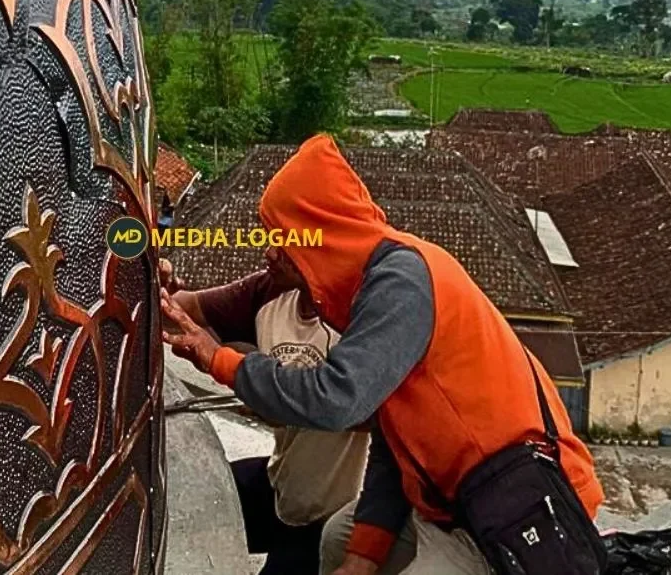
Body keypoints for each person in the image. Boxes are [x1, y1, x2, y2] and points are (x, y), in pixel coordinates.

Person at [161, 135, 604, 575]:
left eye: (283, 237)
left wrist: (218, 360)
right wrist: (362, 558)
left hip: (513, 506)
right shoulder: (364, 293)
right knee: (339, 540)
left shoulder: (401, 282)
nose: (271, 251)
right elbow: (399, 444)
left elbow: (336, 398)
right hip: (445, 498)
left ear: (322, 235)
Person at [160, 252, 370, 575]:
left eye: (284, 237)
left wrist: (259, 391)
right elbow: (182, 311)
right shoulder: (268, 291)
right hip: (281, 480)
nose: (269, 251)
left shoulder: (362, 319)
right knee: (191, 499)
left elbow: (345, 407)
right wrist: (155, 289)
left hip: (332, 510)